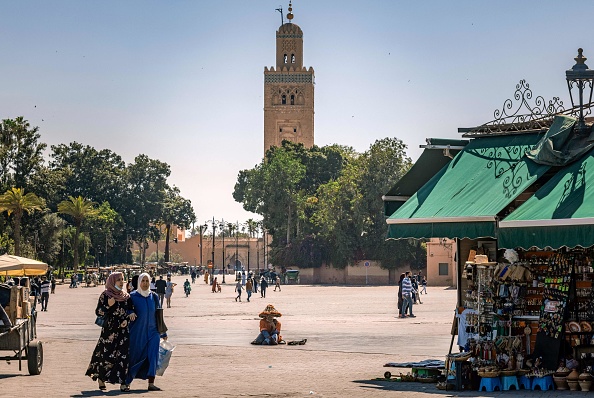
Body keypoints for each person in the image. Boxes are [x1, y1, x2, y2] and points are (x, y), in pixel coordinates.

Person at [86, 272, 136, 391]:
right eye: (118, 279)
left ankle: (123, 383)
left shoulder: (126, 296)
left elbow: (130, 310)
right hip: (109, 331)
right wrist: (108, 306)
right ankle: (101, 379)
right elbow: (98, 312)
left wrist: (128, 318)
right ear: (112, 281)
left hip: (123, 331)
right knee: (106, 355)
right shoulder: (106, 295)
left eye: (122, 279)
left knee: (123, 356)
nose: (121, 282)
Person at [125, 273, 166, 392]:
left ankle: (151, 383)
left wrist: (162, 332)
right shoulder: (132, 296)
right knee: (134, 355)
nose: (145, 283)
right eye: (143, 281)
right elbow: (127, 309)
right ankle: (127, 382)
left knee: (153, 356)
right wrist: (130, 312)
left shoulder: (154, 296)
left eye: (147, 281)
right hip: (138, 331)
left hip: (153, 332)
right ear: (139, 282)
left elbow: (159, 315)